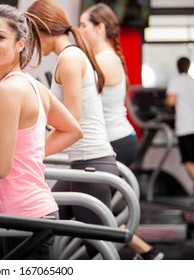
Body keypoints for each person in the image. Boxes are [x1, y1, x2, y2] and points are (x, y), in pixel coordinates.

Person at [0, 4, 83, 260]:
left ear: (20, 44)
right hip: (30, 214)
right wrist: (28, 155)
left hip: (26, 217)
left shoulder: (8, 91)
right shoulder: (31, 84)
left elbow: (0, 167)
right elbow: (72, 130)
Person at [26, 0, 118, 259]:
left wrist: (32, 152)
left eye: (31, 36)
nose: (31, 45)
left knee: (101, 252)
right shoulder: (72, 55)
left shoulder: (68, 59)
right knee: (42, 222)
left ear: (41, 29)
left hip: (90, 165)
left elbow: (72, 122)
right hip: (85, 163)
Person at [78, 2, 164, 260]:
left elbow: (82, 105)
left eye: (84, 25)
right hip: (117, 140)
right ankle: (147, 253)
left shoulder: (104, 60)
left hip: (114, 143)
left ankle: (138, 254)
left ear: (100, 28)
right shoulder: (104, 58)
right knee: (93, 210)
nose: (80, 30)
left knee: (92, 212)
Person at [165, 57, 194, 194]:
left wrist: (165, 104)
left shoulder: (176, 81)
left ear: (177, 67)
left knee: (188, 160)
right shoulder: (192, 81)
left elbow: (170, 101)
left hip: (185, 126)